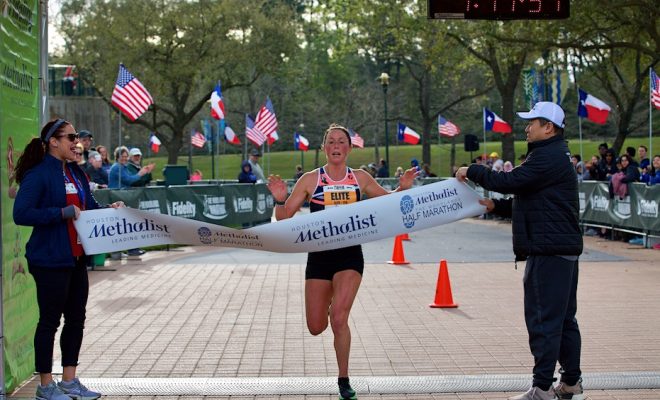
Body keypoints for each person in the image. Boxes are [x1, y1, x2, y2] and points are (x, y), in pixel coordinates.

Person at [267, 124, 418, 400]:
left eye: (341, 142)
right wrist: (279, 199)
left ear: (348, 148)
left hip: (349, 256)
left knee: (339, 319)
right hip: (319, 258)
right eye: (331, 141)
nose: (336, 145)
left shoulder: (359, 178)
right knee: (316, 327)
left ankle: (344, 381)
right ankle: (328, 304)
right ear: (325, 148)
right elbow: (284, 217)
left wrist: (402, 188)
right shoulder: (311, 180)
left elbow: (390, 204)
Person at [456, 102, 584, 400]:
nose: (527, 128)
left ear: (548, 127)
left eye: (532, 123)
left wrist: (472, 169)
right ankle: (571, 385)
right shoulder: (555, 155)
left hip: (549, 250)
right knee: (564, 319)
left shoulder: (547, 157)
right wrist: (496, 206)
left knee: (544, 320)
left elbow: (508, 181)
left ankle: (541, 388)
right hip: (561, 247)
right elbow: (536, 201)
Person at [13, 119, 124, 400]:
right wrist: (60, 212)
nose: (76, 142)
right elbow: (21, 213)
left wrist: (110, 210)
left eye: (77, 137)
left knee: (76, 318)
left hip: (76, 258)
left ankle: (69, 381)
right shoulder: (39, 174)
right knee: (50, 321)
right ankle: (45, 385)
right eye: (71, 137)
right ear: (53, 141)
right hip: (49, 258)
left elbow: (87, 209)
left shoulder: (76, 173)